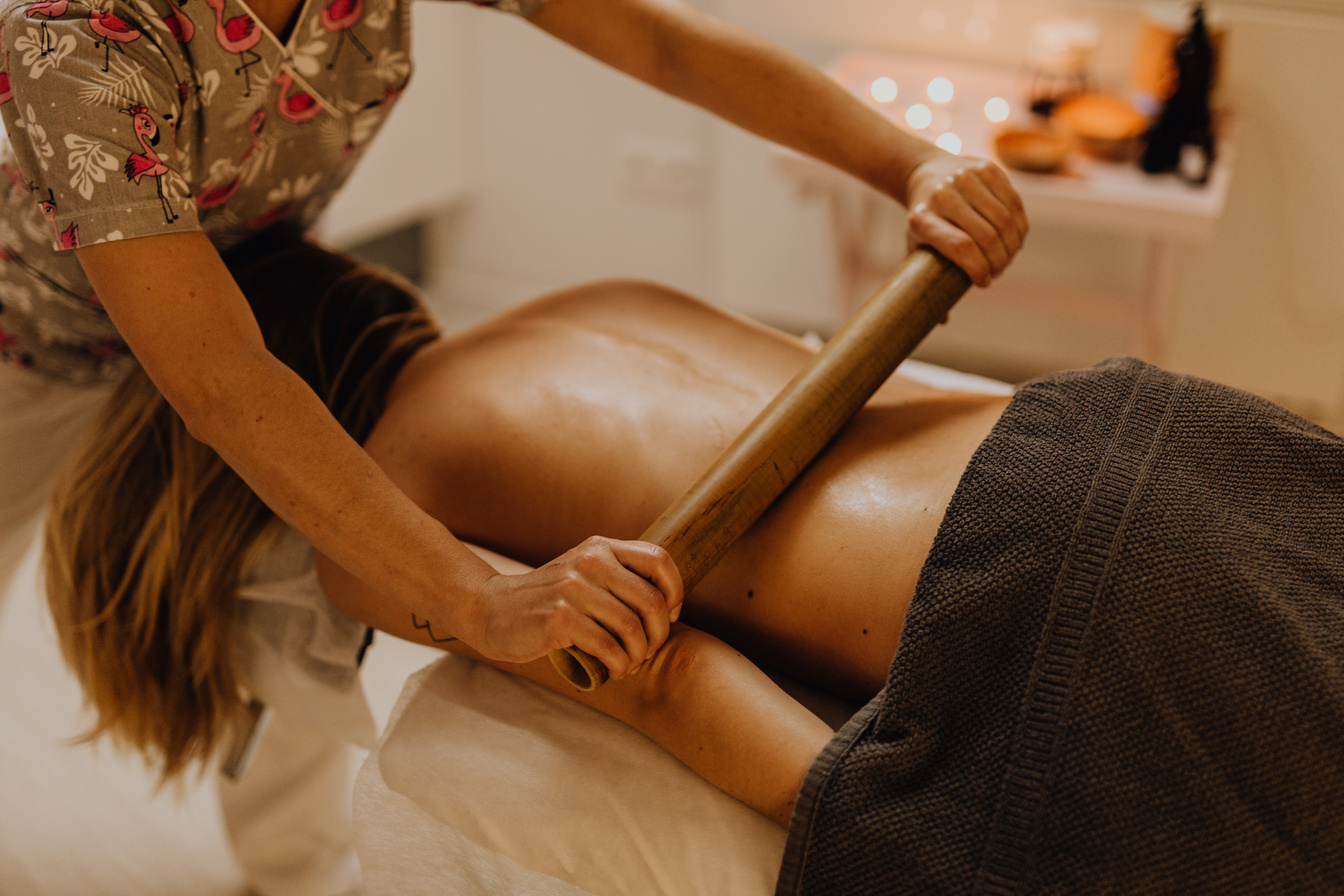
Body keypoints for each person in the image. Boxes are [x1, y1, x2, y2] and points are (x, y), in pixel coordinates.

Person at [0, 1, 1030, 889]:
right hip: (33, 343)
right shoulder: (78, 44)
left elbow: (662, 43)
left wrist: (913, 162)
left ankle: (292, 865)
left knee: (300, 597)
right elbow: (216, 379)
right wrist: (473, 598)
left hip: (245, 283)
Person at [47, 232, 1344, 896]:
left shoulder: (377, 533)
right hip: (1140, 435)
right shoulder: (580, 300)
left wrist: (879, 824)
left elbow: (657, 678)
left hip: (1052, 601)